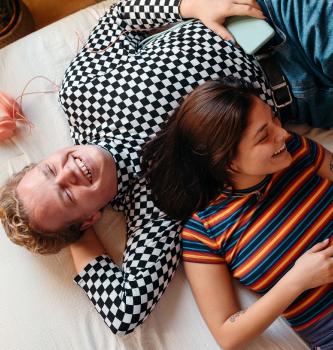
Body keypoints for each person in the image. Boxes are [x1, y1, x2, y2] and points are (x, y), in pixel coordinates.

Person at [0, 0, 332, 336]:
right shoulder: (157, 212)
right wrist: (72, 235)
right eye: (67, 194)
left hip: (269, 16)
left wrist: (192, 6)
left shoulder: (79, 93)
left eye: (48, 171)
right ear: (89, 220)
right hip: (304, 96)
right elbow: (123, 314)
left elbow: (120, 16)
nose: (67, 173)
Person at [142, 77, 333, 349]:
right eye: (264, 136)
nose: (284, 134)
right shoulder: (203, 231)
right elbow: (227, 333)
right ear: (226, 161)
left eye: (273, 120)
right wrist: (298, 280)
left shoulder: (297, 151)